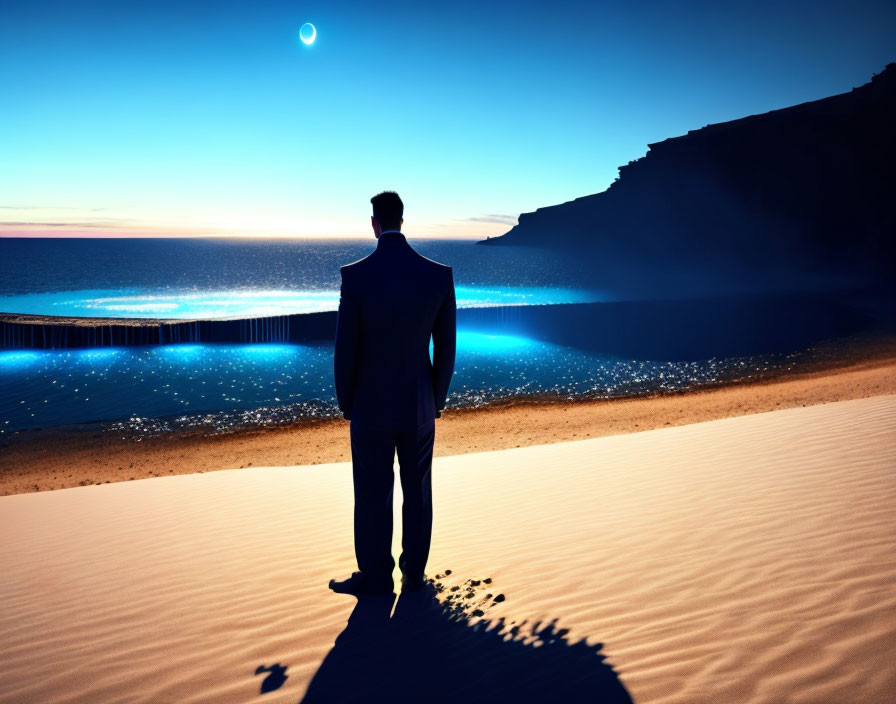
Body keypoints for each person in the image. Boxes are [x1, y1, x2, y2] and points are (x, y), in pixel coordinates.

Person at [329, 191, 456, 596]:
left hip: (370, 405)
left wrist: (345, 401)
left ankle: (376, 576)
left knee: (372, 492)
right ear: (403, 220)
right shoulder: (438, 275)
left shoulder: (356, 275)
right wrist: (435, 400)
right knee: (418, 490)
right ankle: (414, 576)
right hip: (418, 404)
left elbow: (345, 348)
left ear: (374, 224)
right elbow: (446, 347)